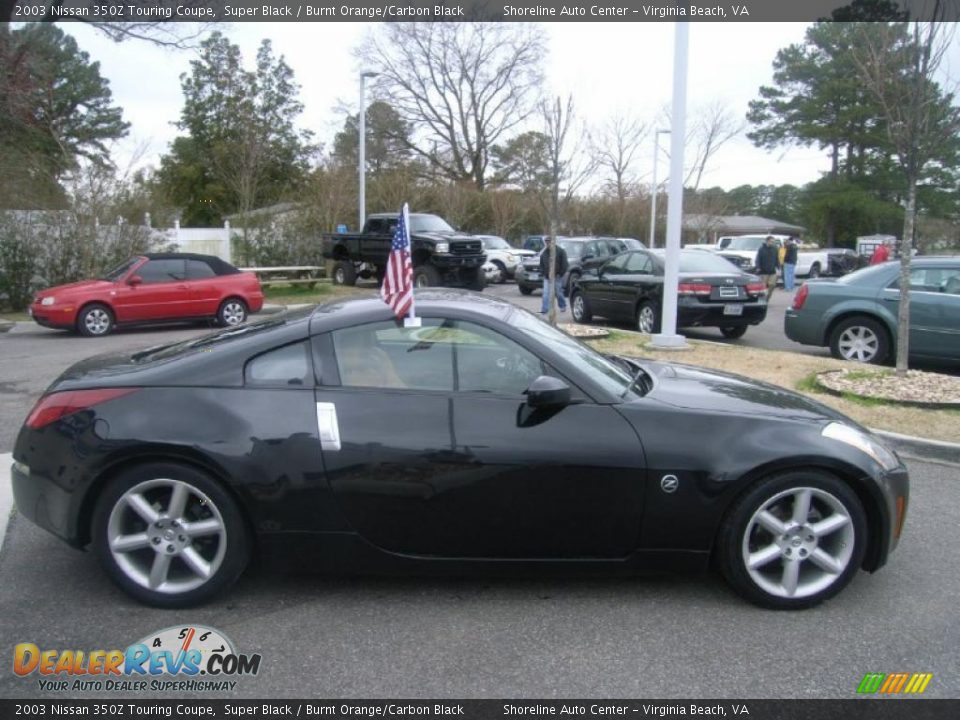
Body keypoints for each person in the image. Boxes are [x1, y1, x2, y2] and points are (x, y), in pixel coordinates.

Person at [539, 235, 568, 314]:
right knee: (545, 293)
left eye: (549, 242)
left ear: (553, 242)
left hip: (557, 276)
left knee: (558, 292)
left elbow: (565, 264)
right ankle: (545, 309)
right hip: (547, 277)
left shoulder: (560, 251)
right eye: (546, 242)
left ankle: (562, 306)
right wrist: (544, 273)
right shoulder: (544, 253)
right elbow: (541, 265)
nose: (548, 244)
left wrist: (560, 274)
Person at [755, 235, 780, 301]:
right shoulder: (761, 249)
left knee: (772, 285)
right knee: (763, 286)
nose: (772, 243)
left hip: (772, 271)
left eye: (773, 242)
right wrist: (758, 267)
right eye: (771, 241)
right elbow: (758, 259)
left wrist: (778, 268)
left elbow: (777, 259)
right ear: (767, 241)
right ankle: (762, 299)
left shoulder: (775, 248)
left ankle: (767, 298)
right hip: (764, 271)